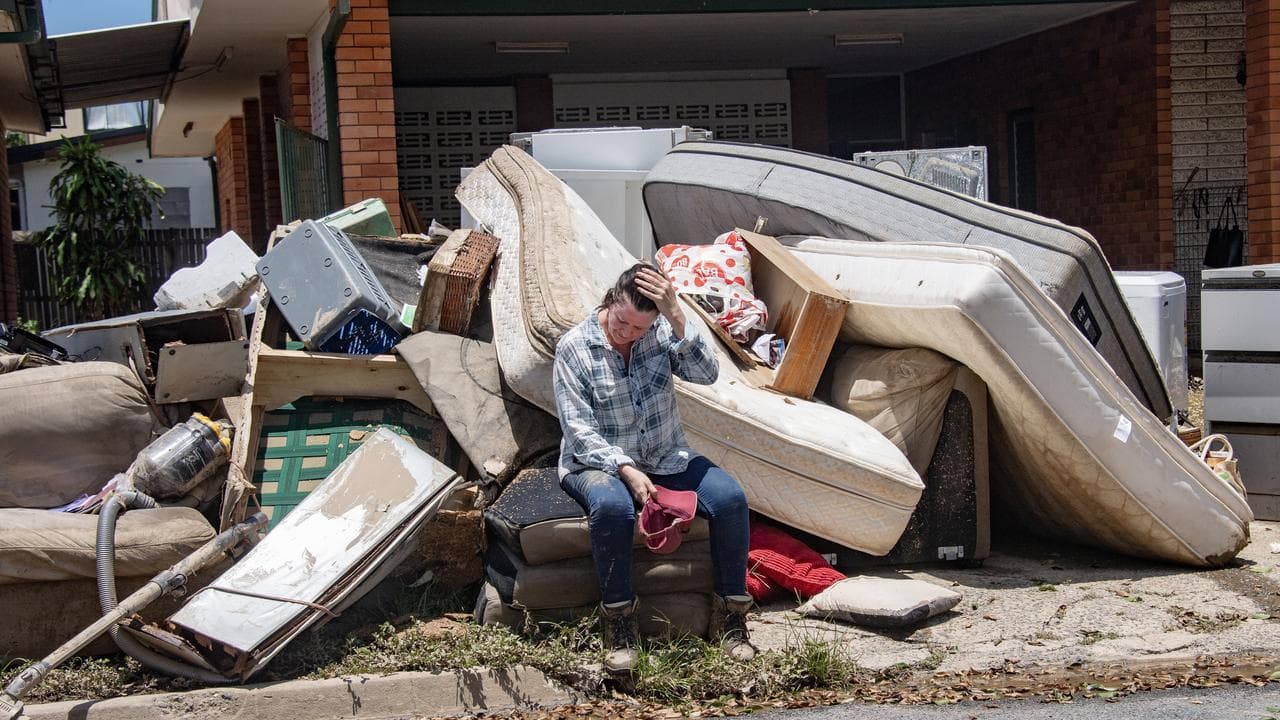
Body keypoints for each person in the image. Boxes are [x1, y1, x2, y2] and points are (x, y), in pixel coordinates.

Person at [552, 262, 755, 674]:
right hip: (598, 462)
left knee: (731, 499)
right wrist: (625, 469)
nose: (628, 333)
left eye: (639, 329)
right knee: (614, 509)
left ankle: (730, 621)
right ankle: (619, 624)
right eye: (622, 322)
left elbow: (707, 373)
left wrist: (677, 315)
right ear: (611, 300)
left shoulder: (661, 332)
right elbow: (578, 430)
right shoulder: (574, 347)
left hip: (665, 457)